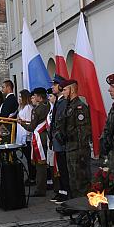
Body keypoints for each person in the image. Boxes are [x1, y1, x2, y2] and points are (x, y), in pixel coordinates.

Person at [60, 78, 92, 199]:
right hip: (70, 148)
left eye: (64, 90)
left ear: (72, 90)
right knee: (73, 180)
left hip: (79, 150)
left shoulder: (79, 107)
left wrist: (68, 135)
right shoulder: (69, 106)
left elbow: (83, 131)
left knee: (81, 181)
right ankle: (77, 205)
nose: (63, 92)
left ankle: (85, 209)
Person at [19, 87, 51, 197]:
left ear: (38, 96)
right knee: (49, 162)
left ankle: (40, 189)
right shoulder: (48, 105)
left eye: (35, 96)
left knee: (40, 164)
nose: (34, 97)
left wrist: (21, 123)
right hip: (47, 136)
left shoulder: (37, 109)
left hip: (39, 138)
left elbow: (32, 127)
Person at [50, 75, 70, 203]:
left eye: (55, 85)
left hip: (61, 141)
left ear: (60, 86)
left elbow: (60, 121)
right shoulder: (59, 101)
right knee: (61, 168)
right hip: (57, 139)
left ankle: (66, 193)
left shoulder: (63, 102)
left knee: (63, 168)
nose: (52, 87)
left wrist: (57, 136)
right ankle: (62, 192)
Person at [15, 89, 33, 183]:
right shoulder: (22, 107)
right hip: (21, 134)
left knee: (29, 158)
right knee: (27, 157)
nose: (19, 99)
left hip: (26, 136)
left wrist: (27, 135)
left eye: (21, 97)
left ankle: (32, 176)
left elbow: (28, 121)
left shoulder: (28, 108)